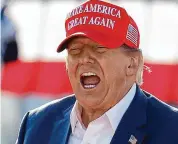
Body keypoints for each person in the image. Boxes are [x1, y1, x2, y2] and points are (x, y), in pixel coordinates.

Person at [16, 0, 178, 144]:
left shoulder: (172, 128)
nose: (85, 59)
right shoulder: (37, 123)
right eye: (75, 50)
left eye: (99, 49)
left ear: (132, 63)